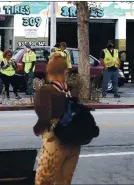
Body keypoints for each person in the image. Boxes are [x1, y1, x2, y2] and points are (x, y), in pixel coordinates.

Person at [34, 53, 80, 185]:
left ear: (49, 71)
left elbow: (43, 115)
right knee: (64, 180)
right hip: (74, 141)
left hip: (55, 138)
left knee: (44, 179)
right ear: (65, 71)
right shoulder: (72, 90)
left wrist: (38, 129)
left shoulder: (46, 90)